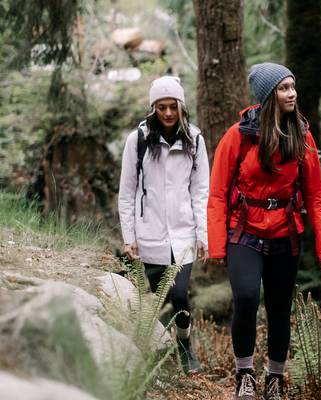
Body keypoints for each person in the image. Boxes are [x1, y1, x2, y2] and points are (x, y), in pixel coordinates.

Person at [207, 62, 321, 400]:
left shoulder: (302, 135)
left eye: (292, 87)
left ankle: (274, 378)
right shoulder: (238, 136)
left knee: (279, 308)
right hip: (244, 231)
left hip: (284, 234)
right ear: (268, 95)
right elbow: (217, 193)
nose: (292, 94)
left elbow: (316, 195)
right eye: (284, 88)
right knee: (246, 297)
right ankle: (244, 374)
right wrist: (217, 246)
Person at [118, 75, 209, 374]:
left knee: (180, 295)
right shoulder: (138, 140)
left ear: (181, 106)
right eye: (161, 107)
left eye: (173, 106)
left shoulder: (195, 139)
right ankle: (164, 355)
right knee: (161, 299)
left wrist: (203, 235)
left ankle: (185, 344)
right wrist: (129, 236)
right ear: (153, 107)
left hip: (183, 233)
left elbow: (201, 192)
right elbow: (127, 192)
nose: (168, 113)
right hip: (150, 233)